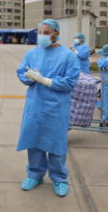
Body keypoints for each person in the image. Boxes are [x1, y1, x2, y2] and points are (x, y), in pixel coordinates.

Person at [16, 19, 80, 197]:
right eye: (40, 32)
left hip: (56, 108)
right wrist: (29, 77)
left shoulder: (68, 56)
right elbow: (22, 72)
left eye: (46, 32)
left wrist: (45, 80)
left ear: (56, 33)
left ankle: (59, 178)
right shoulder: (32, 53)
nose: (42, 36)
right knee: (34, 141)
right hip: (35, 105)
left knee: (55, 144)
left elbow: (70, 82)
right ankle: (35, 174)